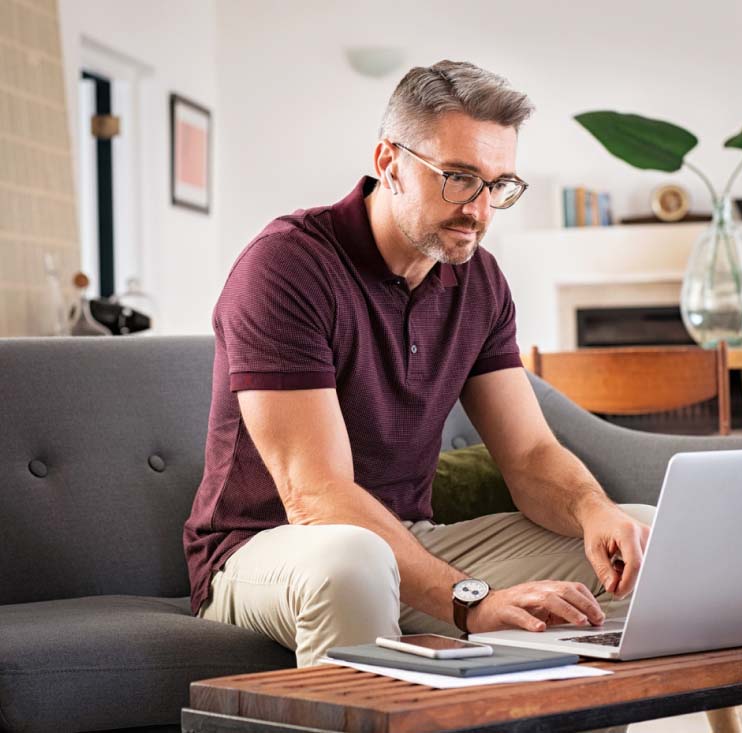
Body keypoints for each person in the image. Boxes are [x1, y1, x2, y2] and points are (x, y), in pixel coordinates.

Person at [182, 60, 654, 668]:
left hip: (410, 540)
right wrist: (467, 602)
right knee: (354, 559)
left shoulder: (477, 280)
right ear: (389, 163)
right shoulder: (286, 268)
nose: (479, 210)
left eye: (499, 184)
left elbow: (532, 456)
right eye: (458, 178)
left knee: (640, 541)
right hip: (264, 552)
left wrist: (595, 510)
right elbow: (316, 496)